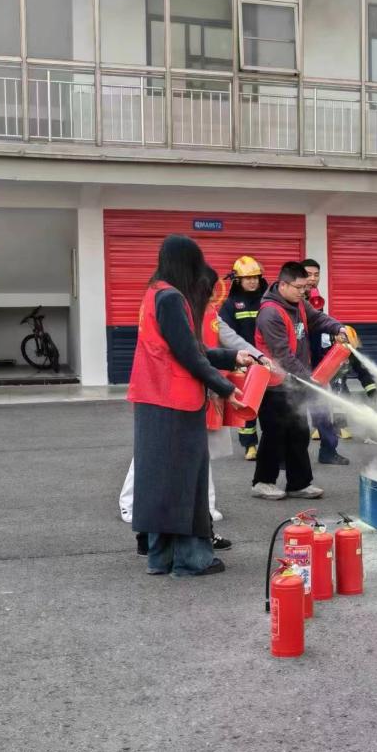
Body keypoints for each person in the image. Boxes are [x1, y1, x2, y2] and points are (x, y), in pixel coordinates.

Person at [119, 267, 266, 545]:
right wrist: (223, 386)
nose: (211, 296)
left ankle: (202, 516)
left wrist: (247, 356)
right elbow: (191, 355)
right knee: (156, 459)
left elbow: (218, 343)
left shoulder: (199, 310)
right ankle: (139, 514)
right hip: (171, 394)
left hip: (193, 389)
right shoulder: (172, 305)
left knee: (197, 456)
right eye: (207, 290)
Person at [126, 234, 242, 577]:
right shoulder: (173, 298)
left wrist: (233, 357)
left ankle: (160, 558)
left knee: (160, 481)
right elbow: (189, 353)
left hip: (152, 398)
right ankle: (192, 559)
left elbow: (184, 348)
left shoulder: (154, 293)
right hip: (176, 401)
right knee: (187, 481)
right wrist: (224, 387)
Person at [251, 261, 347, 501]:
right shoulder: (271, 313)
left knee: (299, 433)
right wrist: (310, 380)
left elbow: (318, 319)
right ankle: (263, 482)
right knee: (274, 434)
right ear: (283, 284)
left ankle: (299, 484)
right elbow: (283, 356)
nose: (304, 291)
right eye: (299, 287)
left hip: (296, 383)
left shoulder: (300, 304)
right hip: (274, 384)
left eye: (305, 287)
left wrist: (339, 328)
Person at [301, 259, 349, 465]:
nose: (313, 279)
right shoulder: (291, 299)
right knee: (293, 414)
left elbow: (320, 324)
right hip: (295, 364)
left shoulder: (316, 298)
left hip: (315, 363)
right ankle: (291, 457)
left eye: (316, 275)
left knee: (321, 408)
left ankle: (328, 451)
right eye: (308, 274)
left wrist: (335, 333)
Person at [219, 255, 267, 461]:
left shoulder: (267, 300)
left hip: (267, 360)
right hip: (245, 361)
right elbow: (226, 335)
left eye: (255, 277)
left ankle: (269, 445)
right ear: (238, 280)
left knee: (269, 406)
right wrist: (236, 361)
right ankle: (249, 445)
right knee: (247, 403)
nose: (253, 281)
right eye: (248, 278)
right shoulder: (231, 304)